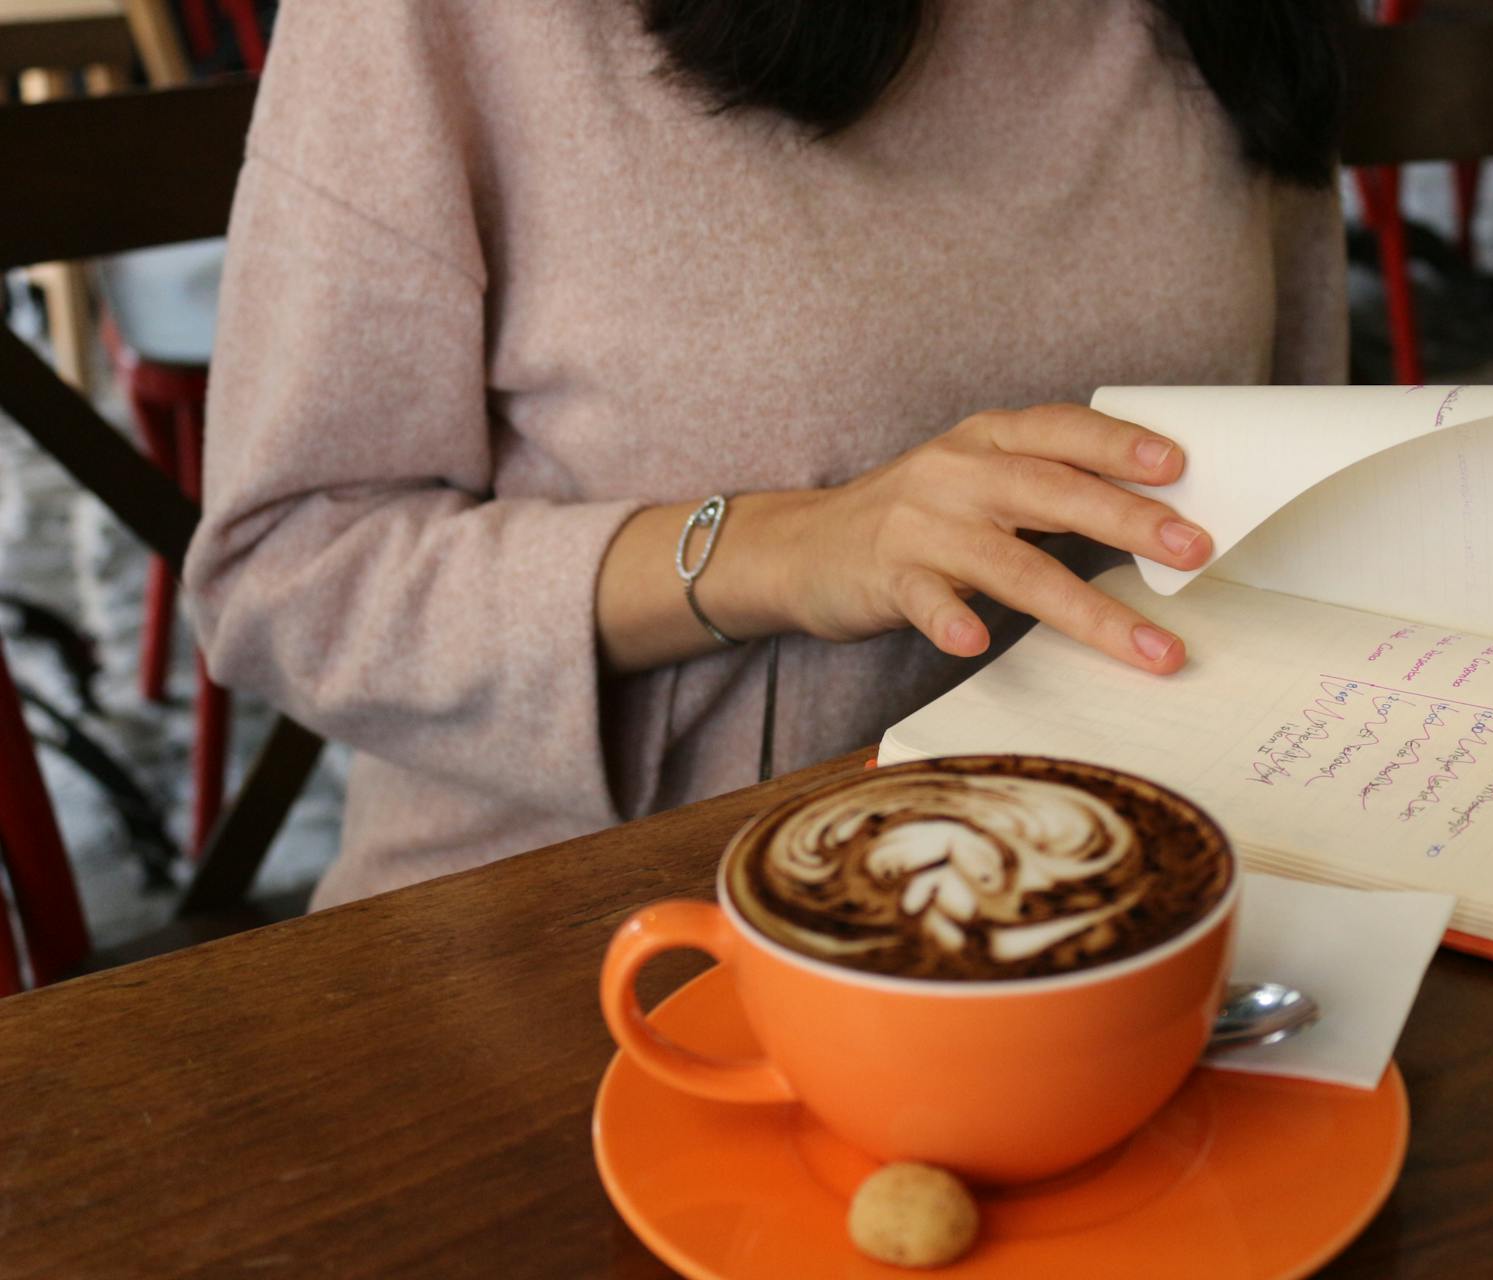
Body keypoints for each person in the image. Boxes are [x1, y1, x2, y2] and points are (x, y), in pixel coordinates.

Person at [184, 0, 1350, 908]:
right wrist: (780, 550)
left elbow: (1287, 502)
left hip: (1148, 912)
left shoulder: (1228, 26)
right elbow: (289, 575)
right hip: (604, 931)